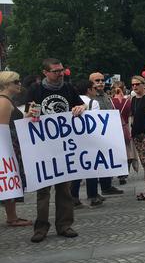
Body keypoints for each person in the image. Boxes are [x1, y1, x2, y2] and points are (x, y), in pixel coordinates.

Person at [25, 58, 85, 243]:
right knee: (43, 191)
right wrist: (31, 114)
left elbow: (82, 104)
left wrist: (80, 108)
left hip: (64, 147)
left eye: (61, 70)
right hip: (43, 147)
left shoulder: (68, 88)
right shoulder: (35, 90)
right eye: (55, 71)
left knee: (64, 190)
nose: (60, 74)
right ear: (45, 72)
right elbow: (27, 111)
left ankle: (64, 225)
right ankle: (41, 227)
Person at [0, 71, 32, 227]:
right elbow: (3, 130)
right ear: (6, 84)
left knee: (9, 181)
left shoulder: (7, 101)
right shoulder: (4, 102)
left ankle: (12, 216)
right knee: (9, 180)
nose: (20, 84)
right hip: (7, 147)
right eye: (16, 82)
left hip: (10, 145)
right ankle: (12, 218)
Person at [70, 79, 105, 208]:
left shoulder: (72, 100)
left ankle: (74, 196)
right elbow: (96, 120)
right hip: (89, 139)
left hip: (75, 139)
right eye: (94, 88)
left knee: (77, 168)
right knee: (91, 167)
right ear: (89, 90)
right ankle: (93, 195)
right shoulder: (92, 102)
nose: (96, 90)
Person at [89, 72, 124, 197]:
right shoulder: (90, 98)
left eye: (102, 80)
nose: (100, 82)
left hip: (108, 133)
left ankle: (106, 186)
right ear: (91, 83)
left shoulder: (106, 96)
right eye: (97, 80)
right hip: (95, 134)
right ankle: (95, 191)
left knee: (107, 159)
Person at [111, 81, 136, 185]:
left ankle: (115, 171)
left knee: (115, 152)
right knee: (128, 152)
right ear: (124, 89)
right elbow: (131, 114)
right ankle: (124, 174)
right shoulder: (129, 102)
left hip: (113, 130)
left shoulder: (110, 102)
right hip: (125, 128)